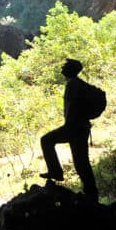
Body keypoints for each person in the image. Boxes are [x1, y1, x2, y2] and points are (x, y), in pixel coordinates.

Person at [39, 58, 99, 202]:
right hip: (80, 127)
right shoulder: (77, 84)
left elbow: (73, 108)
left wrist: (68, 127)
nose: (61, 69)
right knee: (81, 162)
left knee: (47, 140)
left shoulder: (73, 85)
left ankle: (56, 172)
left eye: (64, 67)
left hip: (75, 128)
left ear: (70, 70)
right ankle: (91, 194)